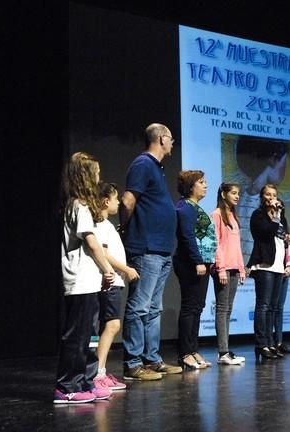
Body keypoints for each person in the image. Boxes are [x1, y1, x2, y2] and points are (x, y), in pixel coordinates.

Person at [120, 123, 181, 380]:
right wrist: (124, 228)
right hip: (146, 247)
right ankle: (133, 364)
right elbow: (127, 200)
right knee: (140, 306)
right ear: (161, 139)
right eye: (171, 139)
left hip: (161, 250)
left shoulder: (156, 167)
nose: (173, 143)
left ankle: (152, 359)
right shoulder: (143, 164)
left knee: (154, 308)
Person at [55, 152, 114, 404]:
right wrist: (107, 269)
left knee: (89, 337)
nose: (99, 177)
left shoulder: (83, 206)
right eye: (96, 173)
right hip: (79, 281)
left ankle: (86, 382)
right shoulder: (78, 205)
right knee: (77, 336)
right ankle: (66, 386)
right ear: (85, 176)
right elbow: (91, 243)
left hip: (89, 281)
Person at [94, 182, 140, 392]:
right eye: (114, 198)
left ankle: (98, 371)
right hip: (110, 281)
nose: (118, 202)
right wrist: (126, 269)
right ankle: (98, 373)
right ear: (105, 201)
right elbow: (103, 254)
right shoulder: (100, 225)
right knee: (112, 325)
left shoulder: (107, 225)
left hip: (114, 281)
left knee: (110, 326)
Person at [174, 170, 217, 369]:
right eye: (201, 182)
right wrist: (198, 261)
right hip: (190, 263)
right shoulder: (185, 208)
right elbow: (187, 237)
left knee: (197, 307)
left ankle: (192, 349)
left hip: (202, 263)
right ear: (191, 186)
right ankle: (185, 353)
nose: (206, 185)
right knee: (190, 307)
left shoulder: (194, 207)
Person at [248, 184, 289, 361]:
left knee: (273, 307)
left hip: (278, 266)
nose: (271, 198)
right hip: (264, 266)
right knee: (263, 306)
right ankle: (261, 344)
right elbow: (266, 232)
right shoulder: (258, 215)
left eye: (274, 195)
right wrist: (274, 216)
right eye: (268, 195)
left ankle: (271, 343)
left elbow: (283, 238)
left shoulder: (281, 217)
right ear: (262, 197)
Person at [211, 183, 246, 365]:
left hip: (234, 267)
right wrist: (221, 267)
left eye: (238, 193)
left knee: (228, 309)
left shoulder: (233, 216)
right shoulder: (216, 215)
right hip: (223, 268)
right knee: (222, 309)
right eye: (233, 193)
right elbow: (216, 244)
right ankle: (222, 352)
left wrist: (241, 268)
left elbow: (236, 246)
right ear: (223, 194)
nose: (237, 196)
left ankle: (225, 350)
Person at [271, 198, 290, 354]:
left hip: (284, 270)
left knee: (279, 307)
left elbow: (289, 245)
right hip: (272, 269)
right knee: (271, 307)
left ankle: (279, 341)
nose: (279, 208)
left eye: (281, 206)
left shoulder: (284, 223)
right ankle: (269, 342)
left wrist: (289, 265)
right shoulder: (268, 224)